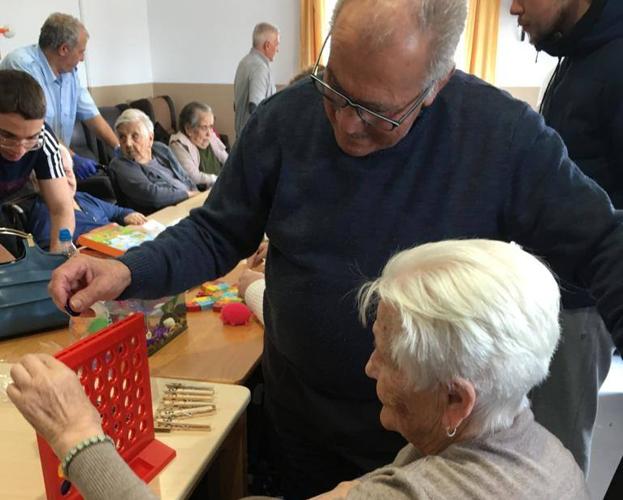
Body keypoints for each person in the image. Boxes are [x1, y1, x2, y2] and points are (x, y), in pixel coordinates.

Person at [49, 0, 623, 497]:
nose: (346, 126)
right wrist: (129, 271)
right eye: (335, 90)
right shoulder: (283, 121)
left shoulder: (505, 139)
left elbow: (604, 243)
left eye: (377, 114)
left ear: (437, 82)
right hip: (302, 418)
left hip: (428, 445)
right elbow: (218, 229)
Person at [11, 241, 589, 499]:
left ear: (457, 401)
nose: (368, 367)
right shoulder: (546, 451)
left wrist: (75, 435)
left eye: (385, 357)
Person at [510, 0, 621, 472]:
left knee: (557, 454)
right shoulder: (577, 56)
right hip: (549, 297)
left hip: (580, 307)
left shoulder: (615, 62)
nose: (513, 8)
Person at [0, 12, 120, 179]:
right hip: (24, 165)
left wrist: (118, 147)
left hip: (57, 159)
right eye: (81, 52)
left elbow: (91, 115)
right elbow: (38, 126)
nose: (83, 58)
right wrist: (72, 157)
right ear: (64, 49)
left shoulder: (70, 73)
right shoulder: (21, 65)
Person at [0, 69, 74, 254]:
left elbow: (61, 208)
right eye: (7, 136)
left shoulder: (44, 137)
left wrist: (61, 252)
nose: (20, 150)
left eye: (30, 138)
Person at [28, 145, 147, 249]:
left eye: (67, 171)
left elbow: (117, 211)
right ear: (36, 183)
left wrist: (128, 215)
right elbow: (51, 252)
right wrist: (91, 236)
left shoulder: (81, 197)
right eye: (57, 175)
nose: (64, 180)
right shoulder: (43, 214)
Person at [108, 109, 199, 214]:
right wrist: (189, 195)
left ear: (150, 138)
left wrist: (198, 194)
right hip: (165, 215)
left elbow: (184, 176)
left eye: (135, 136)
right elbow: (152, 195)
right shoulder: (120, 164)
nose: (128, 143)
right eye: (122, 137)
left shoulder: (161, 149)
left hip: (191, 204)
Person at [233, 22, 280, 137]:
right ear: (267, 45)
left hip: (243, 137)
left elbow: (236, 105)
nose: (278, 49)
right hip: (255, 139)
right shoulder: (259, 67)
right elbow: (255, 107)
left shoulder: (244, 62)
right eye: (277, 44)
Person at [169, 102, 228, 188]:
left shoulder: (210, 136)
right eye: (204, 127)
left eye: (211, 126)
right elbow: (194, 177)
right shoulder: (178, 145)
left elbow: (229, 160)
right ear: (188, 129)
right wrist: (220, 180)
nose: (209, 133)